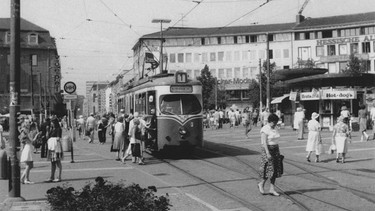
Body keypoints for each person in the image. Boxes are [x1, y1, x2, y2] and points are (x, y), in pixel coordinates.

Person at [258, 114, 283, 196]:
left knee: (275, 169)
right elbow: (264, 142)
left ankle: (272, 189)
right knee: (268, 169)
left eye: (276, 123)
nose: (275, 124)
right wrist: (268, 153)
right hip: (267, 150)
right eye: (274, 122)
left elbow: (276, 139)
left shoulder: (275, 128)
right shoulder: (265, 129)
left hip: (276, 149)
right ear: (270, 121)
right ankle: (261, 184)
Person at [46, 118, 63, 182]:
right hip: (51, 147)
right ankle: (52, 176)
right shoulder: (51, 129)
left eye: (52, 122)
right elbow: (47, 137)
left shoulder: (58, 129)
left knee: (58, 162)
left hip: (56, 147)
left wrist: (53, 139)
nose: (51, 124)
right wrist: (47, 131)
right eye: (51, 122)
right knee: (52, 162)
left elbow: (58, 138)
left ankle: (59, 177)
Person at [19, 119, 36, 184]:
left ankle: (23, 178)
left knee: (29, 165)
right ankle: (26, 179)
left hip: (28, 146)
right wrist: (34, 137)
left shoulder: (26, 130)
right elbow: (28, 139)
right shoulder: (24, 131)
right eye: (28, 123)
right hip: (28, 147)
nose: (29, 124)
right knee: (29, 164)